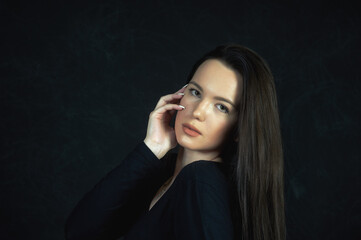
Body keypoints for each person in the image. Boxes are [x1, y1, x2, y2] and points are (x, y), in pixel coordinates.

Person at [65, 44, 286, 240]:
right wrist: (152, 147)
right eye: (195, 92)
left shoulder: (201, 182)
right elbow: (80, 232)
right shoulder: (164, 172)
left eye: (222, 107)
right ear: (180, 94)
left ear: (239, 129)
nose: (198, 112)